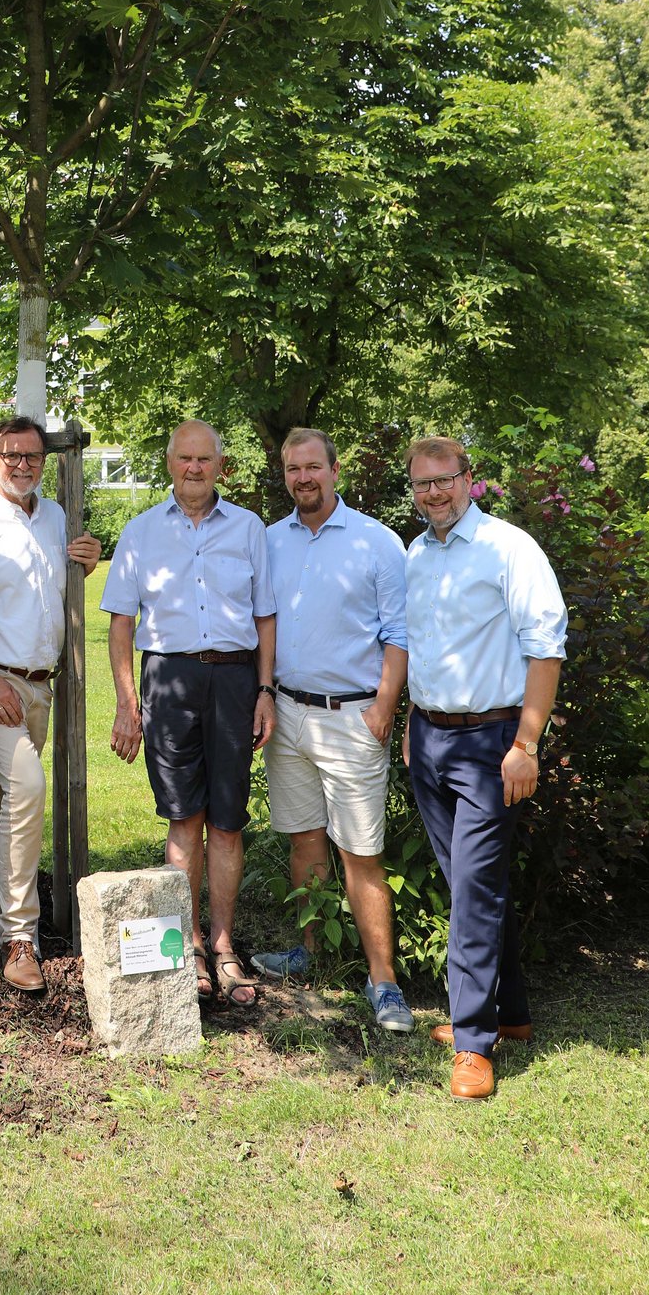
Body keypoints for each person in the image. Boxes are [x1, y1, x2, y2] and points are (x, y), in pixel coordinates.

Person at [404, 435, 567, 1101]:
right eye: (421, 484)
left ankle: (473, 1045)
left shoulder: (508, 548)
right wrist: (414, 728)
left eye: (444, 480)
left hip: (491, 743)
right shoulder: (414, 556)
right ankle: (513, 1013)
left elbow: (545, 648)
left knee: (472, 891)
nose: (434, 493)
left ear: (469, 480)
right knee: (470, 882)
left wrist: (524, 744)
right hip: (429, 741)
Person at [102, 420, 276, 1008]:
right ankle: (190, 947)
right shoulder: (141, 532)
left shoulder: (249, 529)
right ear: (170, 463)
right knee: (183, 817)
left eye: (205, 459)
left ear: (221, 467)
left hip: (234, 677)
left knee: (227, 820)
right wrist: (129, 702)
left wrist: (265, 690)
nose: (194, 468)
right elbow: (121, 624)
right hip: (168, 679)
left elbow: (266, 617)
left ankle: (225, 945)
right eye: (185, 459)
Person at [252, 429, 414, 1030]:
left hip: (353, 717)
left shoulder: (377, 542)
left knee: (362, 853)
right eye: (293, 470)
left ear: (335, 470)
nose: (303, 479)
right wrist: (266, 696)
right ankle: (309, 952)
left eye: (313, 467)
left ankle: (384, 982)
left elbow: (398, 635)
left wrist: (384, 708)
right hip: (288, 714)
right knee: (304, 839)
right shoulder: (269, 542)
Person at [0, 415, 102, 993]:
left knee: (6, 801)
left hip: (42, 685)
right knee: (28, 787)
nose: (22, 465)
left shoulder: (56, 515)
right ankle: (22, 937)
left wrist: (87, 560)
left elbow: (56, 585)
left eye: (33, 456)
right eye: (11, 454)